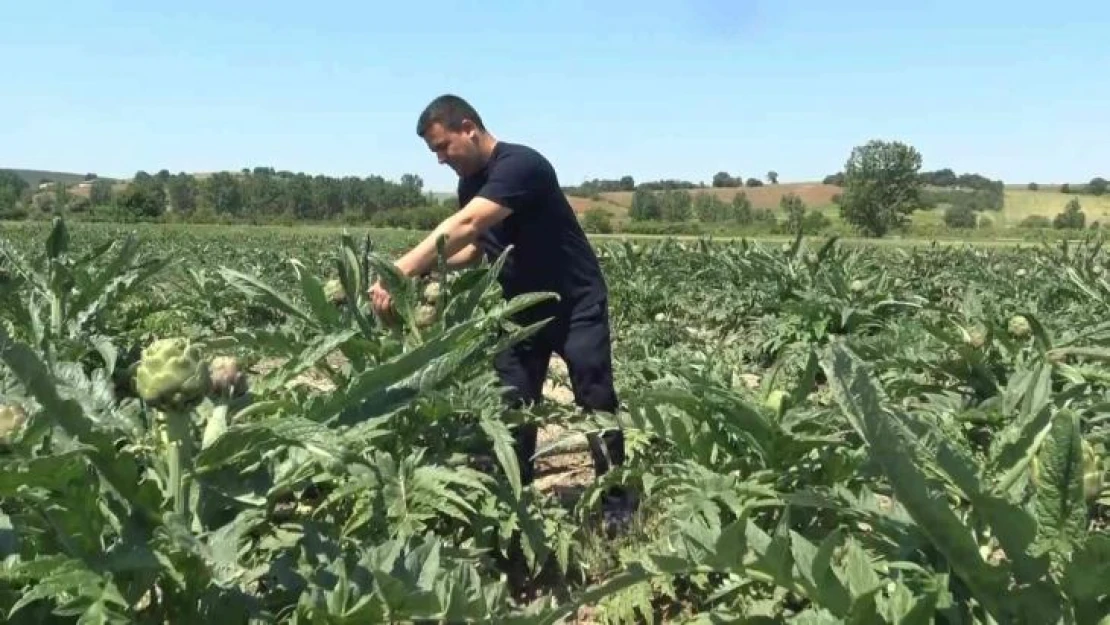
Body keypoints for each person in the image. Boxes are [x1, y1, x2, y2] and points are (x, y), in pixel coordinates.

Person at [368, 94, 632, 518]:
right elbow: (475, 246)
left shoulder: (520, 165)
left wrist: (398, 270)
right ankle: (513, 493)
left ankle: (617, 502)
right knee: (511, 401)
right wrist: (424, 273)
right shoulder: (470, 183)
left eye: (442, 147)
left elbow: (467, 224)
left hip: (575, 303)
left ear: (469, 127)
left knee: (594, 396)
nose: (439, 160)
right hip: (520, 307)